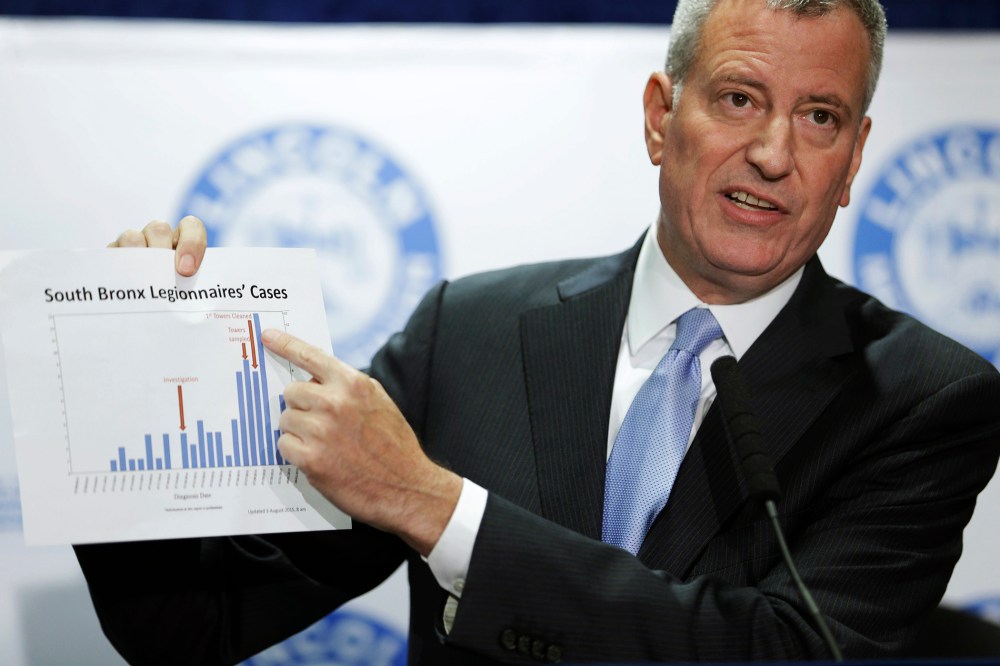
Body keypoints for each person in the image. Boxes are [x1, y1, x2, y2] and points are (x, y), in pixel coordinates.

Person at [76, 0, 1000, 663]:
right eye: (738, 99)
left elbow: (788, 651)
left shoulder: (923, 397)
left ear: (854, 159)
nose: (772, 153)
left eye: (819, 117)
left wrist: (439, 511)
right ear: (659, 116)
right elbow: (190, 626)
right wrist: (125, 372)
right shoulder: (468, 333)